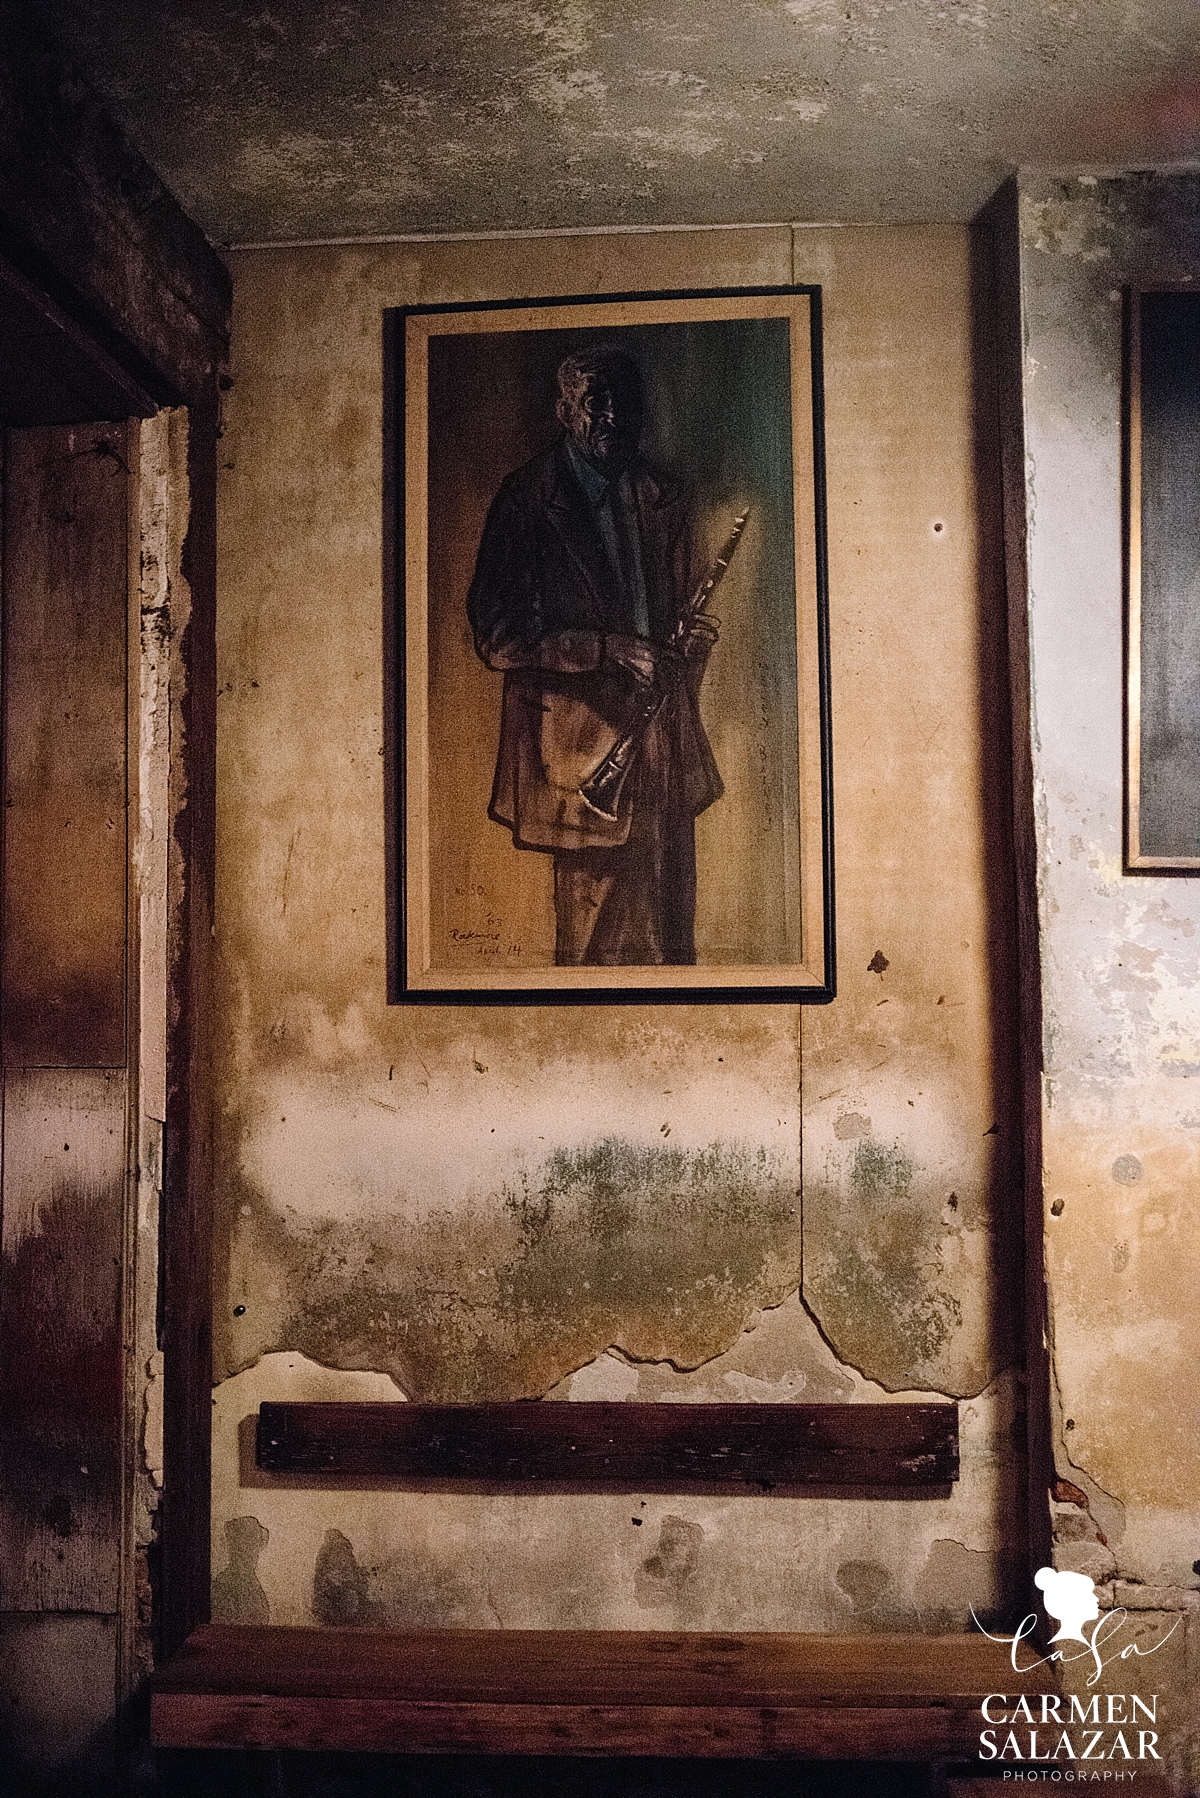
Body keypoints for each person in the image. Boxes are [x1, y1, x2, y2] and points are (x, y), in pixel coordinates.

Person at [467, 343, 723, 966]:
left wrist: (690, 647)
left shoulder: (664, 495)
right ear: (564, 411)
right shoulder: (526, 498)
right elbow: (497, 635)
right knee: (588, 965)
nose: (613, 416)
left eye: (624, 402)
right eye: (595, 403)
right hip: (579, 765)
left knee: (672, 951)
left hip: (662, 759)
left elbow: (672, 628)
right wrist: (609, 650)